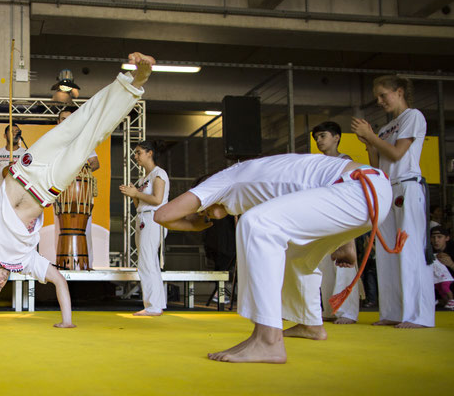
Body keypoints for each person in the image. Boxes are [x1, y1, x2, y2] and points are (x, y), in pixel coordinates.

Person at [0, 52, 154, 331]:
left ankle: (128, 78)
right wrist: (66, 321)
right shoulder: (25, 262)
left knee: (78, 121)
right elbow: (59, 281)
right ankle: (137, 84)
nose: (1, 282)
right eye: (1, 288)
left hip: (28, 170)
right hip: (47, 187)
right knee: (91, 137)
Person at [154, 153, 393, 363]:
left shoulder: (221, 180)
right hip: (366, 192)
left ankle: (267, 340)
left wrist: (199, 222)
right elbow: (318, 190)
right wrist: (345, 241)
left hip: (358, 189)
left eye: (204, 209)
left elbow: (163, 215)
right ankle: (311, 324)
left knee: (257, 224)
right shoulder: (255, 183)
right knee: (294, 255)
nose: (209, 216)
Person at [351, 74, 435, 329]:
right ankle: (393, 311)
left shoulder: (413, 116)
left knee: (409, 251)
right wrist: (369, 144)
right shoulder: (387, 128)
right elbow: (380, 166)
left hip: (408, 186)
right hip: (388, 188)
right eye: (377, 96)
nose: (379, 101)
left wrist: (371, 136)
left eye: (383, 95)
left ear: (399, 92)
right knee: (388, 254)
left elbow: (398, 154)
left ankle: (417, 315)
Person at [312, 121, 360, 324]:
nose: (319, 141)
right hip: (323, 217)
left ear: (336, 137)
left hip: (343, 217)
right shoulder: (318, 164)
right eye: (316, 138)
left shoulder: (345, 161)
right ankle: (330, 310)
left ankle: (347, 311)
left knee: (344, 265)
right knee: (325, 266)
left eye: (323, 136)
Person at [119, 140, 169, 316]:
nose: (136, 156)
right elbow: (139, 202)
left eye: (139, 152)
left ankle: (153, 305)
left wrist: (136, 193)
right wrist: (133, 194)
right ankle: (156, 304)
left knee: (146, 262)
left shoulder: (158, 174)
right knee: (149, 262)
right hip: (142, 218)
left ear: (150, 153)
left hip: (153, 218)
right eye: (135, 153)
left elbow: (158, 199)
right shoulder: (143, 178)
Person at [54, 106, 101, 265]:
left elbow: (95, 163)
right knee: (60, 230)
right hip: (61, 192)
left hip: (80, 190)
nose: (66, 122)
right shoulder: (53, 141)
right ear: (58, 121)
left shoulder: (84, 140)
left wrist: (81, 166)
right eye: (63, 119)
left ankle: (87, 265)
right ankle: (61, 264)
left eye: (70, 119)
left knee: (84, 230)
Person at [430, 226, 454, 310]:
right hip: (435, 287)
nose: (436, 240)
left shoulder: (452, 249)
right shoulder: (427, 250)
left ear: (447, 238)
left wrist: (451, 264)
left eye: (439, 237)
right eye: (433, 237)